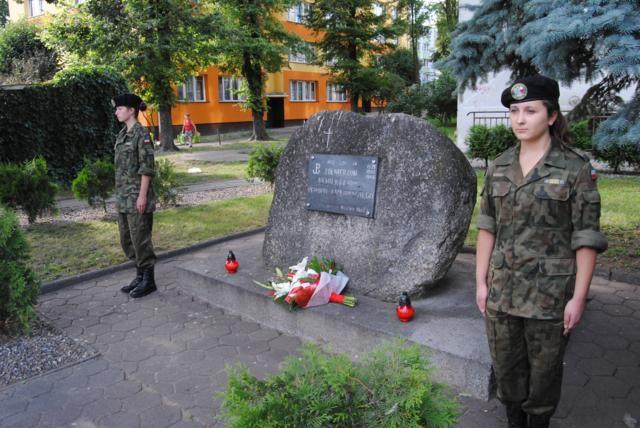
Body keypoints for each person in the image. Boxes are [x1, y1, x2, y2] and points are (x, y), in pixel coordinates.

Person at [475, 75, 608, 428]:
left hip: (549, 299)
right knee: (507, 375)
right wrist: (480, 283)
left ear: (550, 116)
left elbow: (586, 237)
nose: (520, 119)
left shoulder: (576, 169)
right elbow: (487, 225)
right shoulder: (499, 166)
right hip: (503, 294)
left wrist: (578, 298)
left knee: (544, 381)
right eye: (514, 111)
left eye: (530, 110)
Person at [113, 93, 158, 298]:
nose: (116, 112)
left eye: (120, 108)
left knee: (141, 240)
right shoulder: (122, 135)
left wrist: (142, 196)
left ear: (131, 110)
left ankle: (149, 281)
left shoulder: (142, 134)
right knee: (127, 240)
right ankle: (139, 275)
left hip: (137, 197)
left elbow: (146, 168)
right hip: (123, 198)